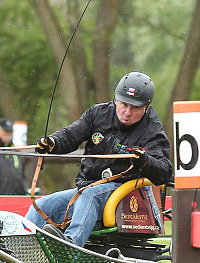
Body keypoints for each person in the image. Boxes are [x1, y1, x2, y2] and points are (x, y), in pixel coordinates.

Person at [25, 71, 173, 247]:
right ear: (116, 99)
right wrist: (52, 142)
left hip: (123, 194)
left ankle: (70, 246)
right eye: (124, 104)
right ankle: (22, 250)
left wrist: (146, 161)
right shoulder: (98, 113)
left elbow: (164, 171)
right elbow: (71, 135)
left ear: (146, 108)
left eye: (135, 108)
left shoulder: (153, 130)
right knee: (44, 205)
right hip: (87, 187)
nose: (127, 112)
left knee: (90, 195)